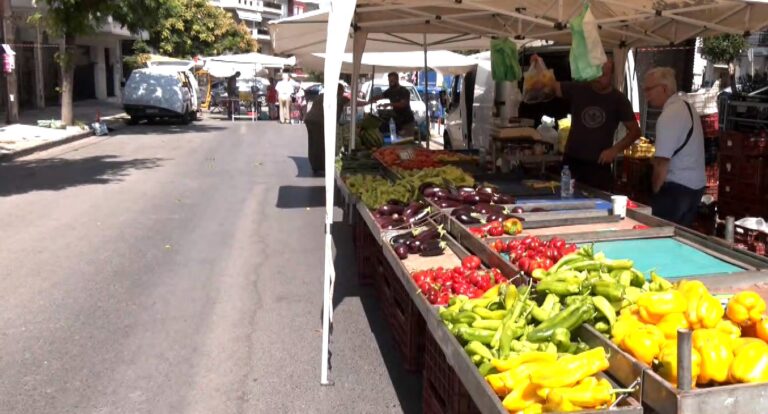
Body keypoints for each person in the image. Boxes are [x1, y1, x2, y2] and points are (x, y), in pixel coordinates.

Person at [530, 56, 641, 191]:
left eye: (603, 75)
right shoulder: (580, 89)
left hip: (598, 164)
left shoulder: (618, 100)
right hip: (572, 160)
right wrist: (540, 65)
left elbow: (635, 131)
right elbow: (552, 85)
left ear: (611, 75)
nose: (598, 79)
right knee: (566, 198)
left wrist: (614, 150)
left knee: (597, 202)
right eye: (596, 74)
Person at [644, 67, 706, 227]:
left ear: (664, 88)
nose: (646, 94)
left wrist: (655, 192)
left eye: (649, 89)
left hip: (677, 189)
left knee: (660, 238)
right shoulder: (686, 106)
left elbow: (662, 163)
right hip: (695, 187)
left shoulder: (669, 115)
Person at [376, 72, 415, 137]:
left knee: (407, 142)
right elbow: (380, 96)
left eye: (392, 80)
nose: (390, 82)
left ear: (397, 80)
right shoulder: (389, 91)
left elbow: (403, 104)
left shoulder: (404, 91)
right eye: (389, 81)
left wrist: (389, 104)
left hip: (407, 121)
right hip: (397, 121)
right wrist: (370, 100)